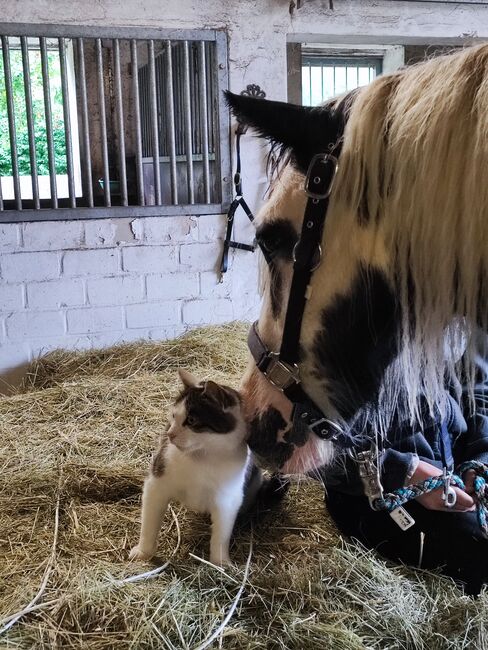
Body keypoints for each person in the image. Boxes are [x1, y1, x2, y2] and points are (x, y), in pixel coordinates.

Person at [322, 331, 488, 596]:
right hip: (374, 487)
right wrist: (401, 473)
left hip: (454, 454)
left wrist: (480, 459)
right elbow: (303, 446)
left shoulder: (473, 302)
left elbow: (480, 387)